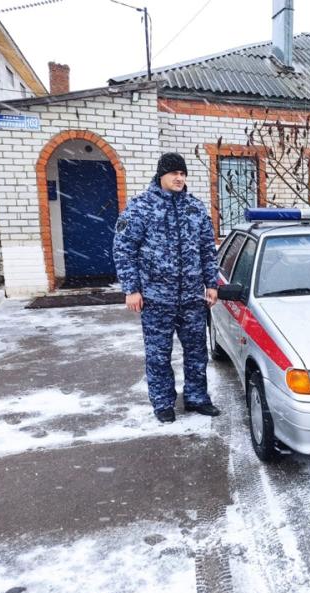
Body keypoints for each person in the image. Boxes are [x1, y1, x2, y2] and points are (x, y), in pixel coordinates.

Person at [113, 152, 221, 423]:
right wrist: (131, 288)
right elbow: (124, 249)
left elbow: (208, 250)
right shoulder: (140, 208)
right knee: (158, 355)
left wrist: (212, 284)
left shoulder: (195, 209)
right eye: (174, 173)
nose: (179, 178)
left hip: (192, 299)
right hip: (155, 298)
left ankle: (197, 398)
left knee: (196, 352)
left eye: (183, 174)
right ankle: (163, 403)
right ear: (161, 175)